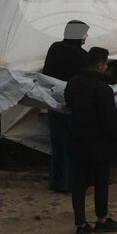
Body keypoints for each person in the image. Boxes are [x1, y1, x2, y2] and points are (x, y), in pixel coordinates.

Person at [65, 47, 117, 234]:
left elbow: (69, 104)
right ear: (100, 65)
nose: (107, 67)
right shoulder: (103, 90)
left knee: (78, 185)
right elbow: (109, 121)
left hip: (77, 142)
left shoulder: (72, 83)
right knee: (100, 183)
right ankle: (102, 220)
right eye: (106, 64)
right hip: (99, 145)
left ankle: (81, 224)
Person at [42, 20, 90, 193]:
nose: (86, 37)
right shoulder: (82, 56)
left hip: (54, 103)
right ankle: (72, 183)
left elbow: (46, 74)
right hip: (73, 108)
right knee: (75, 146)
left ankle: (57, 182)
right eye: (84, 33)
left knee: (59, 145)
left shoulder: (55, 48)